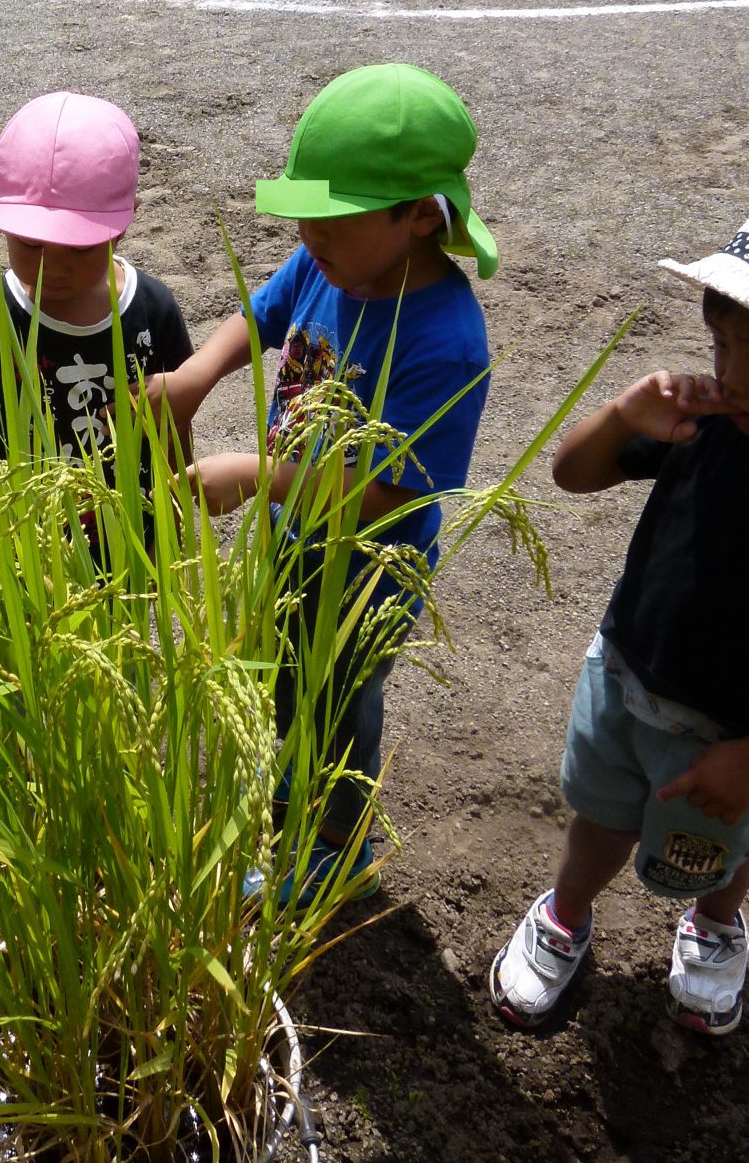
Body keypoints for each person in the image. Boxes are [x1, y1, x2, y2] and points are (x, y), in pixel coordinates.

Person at [152, 64, 498, 902]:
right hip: (293, 537)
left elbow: (391, 495)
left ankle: (339, 845)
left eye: (330, 221)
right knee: (280, 673)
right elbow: (261, 315)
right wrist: (194, 377)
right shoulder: (329, 263)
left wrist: (257, 477)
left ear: (421, 216)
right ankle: (283, 788)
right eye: (302, 218)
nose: (308, 236)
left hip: (368, 569)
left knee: (339, 701)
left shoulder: (446, 343)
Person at [490, 190, 749, 1037]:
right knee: (599, 817)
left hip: (743, 733)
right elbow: (572, 474)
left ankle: (713, 927)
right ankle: (564, 913)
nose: (729, 374)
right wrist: (622, 416)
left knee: (726, 849)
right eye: (720, 345)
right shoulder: (707, 421)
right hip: (627, 676)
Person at [0, 90, 195, 509]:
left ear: (122, 227)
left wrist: (178, 511)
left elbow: (174, 424)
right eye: (30, 244)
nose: (52, 268)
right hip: (28, 533)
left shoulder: (153, 309)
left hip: (137, 528)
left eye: (79, 249)